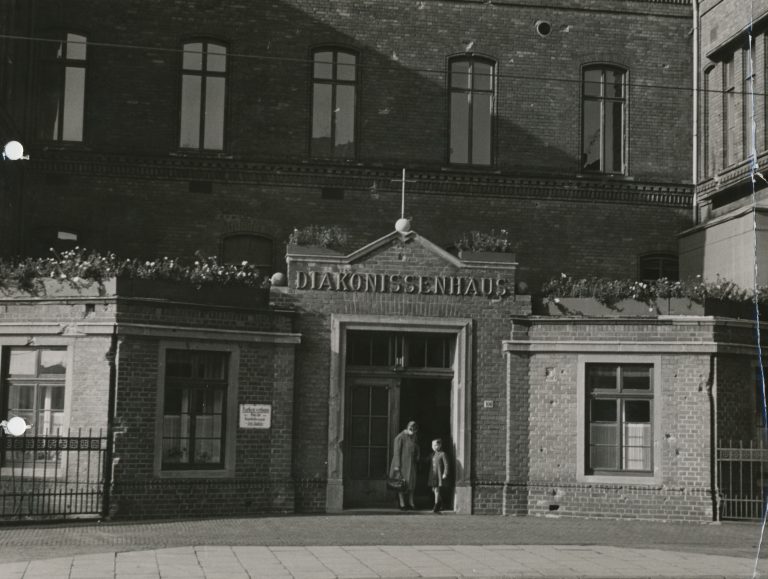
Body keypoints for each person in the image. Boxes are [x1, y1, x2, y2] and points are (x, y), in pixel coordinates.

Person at [390, 420, 420, 510]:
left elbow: (417, 447)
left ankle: (411, 502)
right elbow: (396, 452)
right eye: (411, 428)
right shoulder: (400, 437)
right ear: (407, 427)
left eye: (414, 428)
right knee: (401, 484)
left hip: (412, 464)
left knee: (411, 484)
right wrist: (397, 465)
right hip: (402, 464)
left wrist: (417, 456)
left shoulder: (414, 437)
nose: (412, 430)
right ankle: (402, 503)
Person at [428, 438, 449, 513]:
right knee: (434, 490)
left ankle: (436, 505)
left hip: (439, 475)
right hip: (433, 475)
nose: (434, 446)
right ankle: (441, 503)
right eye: (433, 445)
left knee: (437, 490)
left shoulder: (442, 454)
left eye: (436, 445)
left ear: (440, 445)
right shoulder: (432, 454)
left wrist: (445, 473)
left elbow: (446, 464)